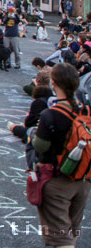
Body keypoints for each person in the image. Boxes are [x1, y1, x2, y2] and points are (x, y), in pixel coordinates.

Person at [32, 63, 91, 247]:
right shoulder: (86, 111)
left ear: (53, 83)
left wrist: (33, 134)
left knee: (60, 239)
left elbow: (40, 146)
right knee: (73, 230)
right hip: (83, 180)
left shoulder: (51, 114)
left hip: (58, 180)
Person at [8, 71, 52, 140]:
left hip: (39, 132)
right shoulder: (52, 97)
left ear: (36, 81)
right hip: (50, 130)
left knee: (14, 127)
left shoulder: (38, 101)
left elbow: (28, 123)